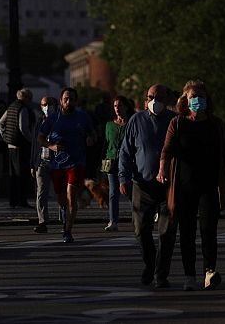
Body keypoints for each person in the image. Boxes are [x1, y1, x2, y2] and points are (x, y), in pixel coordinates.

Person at [158, 80, 225, 291]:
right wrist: (162, 171)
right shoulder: (177, 123)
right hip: (184, 187)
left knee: (208, 229)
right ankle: (189, 276)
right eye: (193, 97)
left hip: (209, 185)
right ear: (185, 100)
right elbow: (166, 151)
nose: (198, 101)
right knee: (187, 232)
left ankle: (209, 270)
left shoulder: (215, 124)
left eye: (201, 97)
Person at [117, 84, 176, 287]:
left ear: (167, 99)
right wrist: (123, 178)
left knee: (167, 233)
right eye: (151, 97)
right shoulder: (136, 120)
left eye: (159, 97)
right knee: (141, 230)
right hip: (142, 185)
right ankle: (150, 265)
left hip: (168, 186)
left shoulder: (174, 121)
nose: (155, 101)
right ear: (145, 99)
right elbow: (125, 151)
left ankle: (161, 274)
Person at [37, 87, 95, 243]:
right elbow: (40, 137)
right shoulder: (53, 118)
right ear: (61, 101)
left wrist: (90, 139)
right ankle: (65, 217)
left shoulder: (83, 117)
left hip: (76, 162)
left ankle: (68, 230)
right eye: (66, 99)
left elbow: (93, 134)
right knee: (61, 199)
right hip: (57, 163)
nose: (69, 102)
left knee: (71, 196)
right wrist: (51, 146)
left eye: (72, 99)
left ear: (76, 101)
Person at [0, 88, 36, 208]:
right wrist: (32, 140)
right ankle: (22, 201)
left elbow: (0, 123)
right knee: (22, 174)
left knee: (13, 174)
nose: (30, 101)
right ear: (25, 98)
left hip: (11, 146)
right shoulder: (23, 109)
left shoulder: (11, 107)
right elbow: (23, 128)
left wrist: (5, 136)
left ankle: (13, 201)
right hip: (21, 145)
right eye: (29, 98)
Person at [102, 95, 134, 232]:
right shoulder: (109, 125)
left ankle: (137, 218)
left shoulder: (132, 123)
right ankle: (113, 221)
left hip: (128, 162)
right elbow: (106, 144)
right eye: (115, 106)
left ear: (126, 107)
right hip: (111, 161)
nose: (117, 109)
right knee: (113, 192)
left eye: (120, 105)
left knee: (130, 192)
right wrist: (102, 164)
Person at [30, 96, 58, 233]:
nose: (46, 107)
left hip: (57, 161)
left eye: (48, 104)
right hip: (41, 160)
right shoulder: (39, 121)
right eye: (43, 104)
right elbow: (34, 144)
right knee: (41, 193)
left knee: (60, 191)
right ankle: (42, 221)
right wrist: (32, 164)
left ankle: (64, 219)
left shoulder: (59, 121)